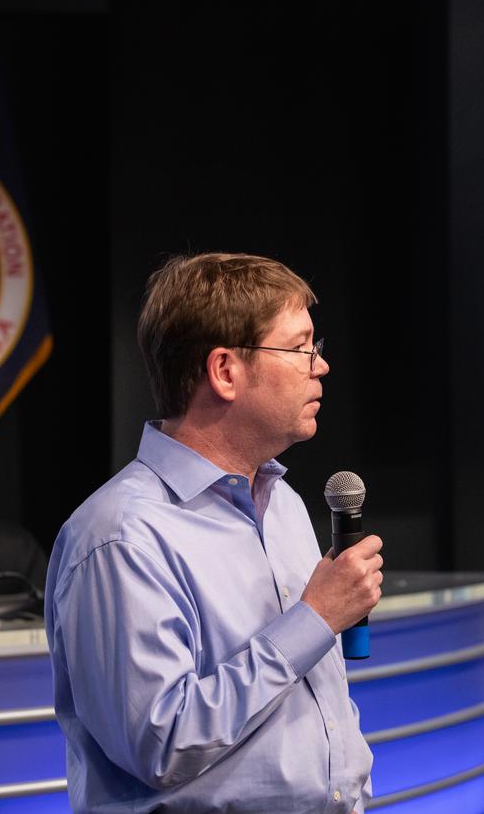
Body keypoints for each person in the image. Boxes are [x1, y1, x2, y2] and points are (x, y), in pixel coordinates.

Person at [45, 253, 380, 812]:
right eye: (300, 348)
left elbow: (314, 704)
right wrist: (315, 619)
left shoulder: (284, 504)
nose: (320, 366)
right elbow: (160, 743)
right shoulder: (120, 538)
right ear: (225, 371)